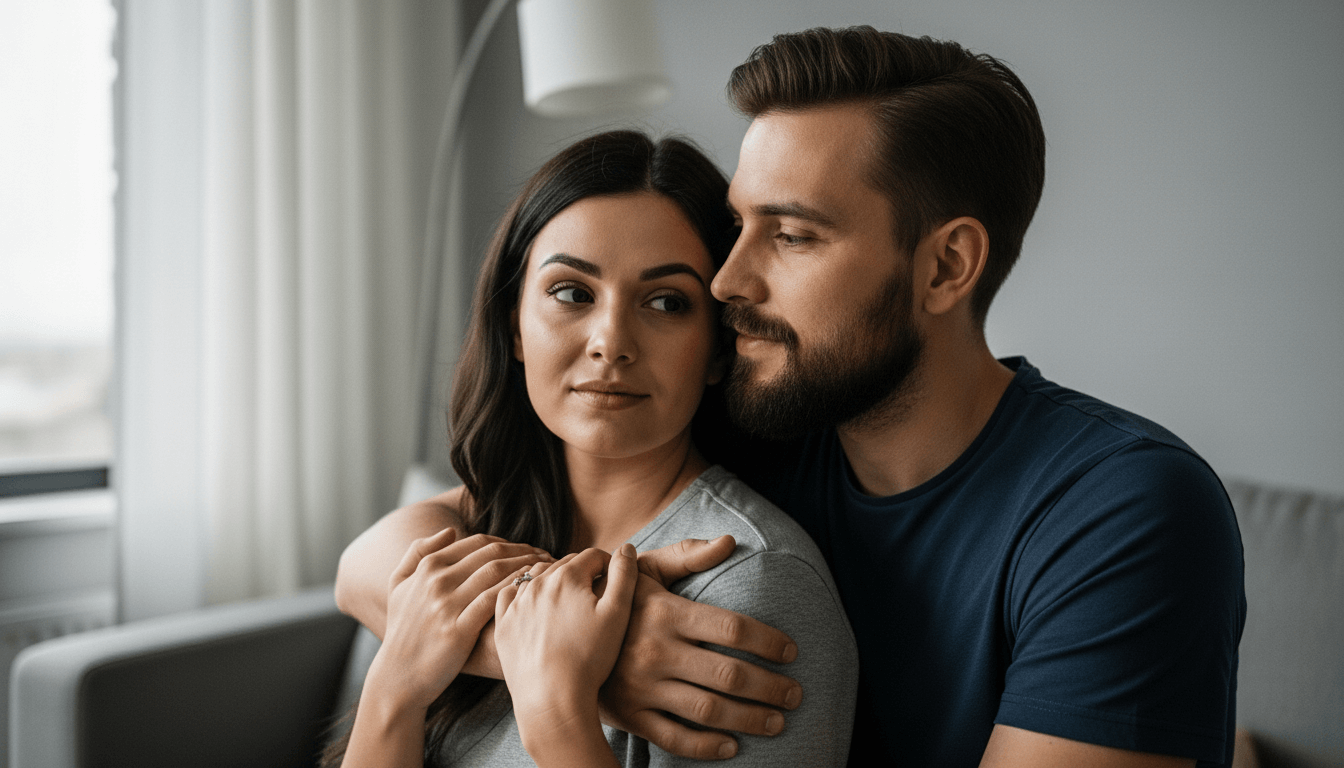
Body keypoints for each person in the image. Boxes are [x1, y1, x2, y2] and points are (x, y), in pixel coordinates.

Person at [337, 27, 1245, 768]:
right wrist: (567, 644)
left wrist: (565, 696)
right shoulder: (770, 421)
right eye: (740, 227)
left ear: (945, 267)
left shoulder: (1123, 510)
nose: (727, 280)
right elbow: (374, 559)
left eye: (792, 236)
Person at [325, 130, 857, 767]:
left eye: (666, 302)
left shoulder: (749, 588)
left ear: (718, 348)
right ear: (513, 326)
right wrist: (401, 689)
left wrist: (558, 710)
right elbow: (361, 563)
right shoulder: (498, 515)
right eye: (572, 293)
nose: (611, 342)